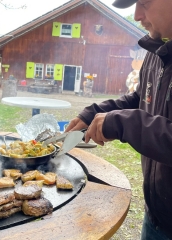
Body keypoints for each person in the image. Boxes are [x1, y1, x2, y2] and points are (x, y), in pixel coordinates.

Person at [65, 0, 172, 239]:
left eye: (144, 2)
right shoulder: (158, 51)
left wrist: (124, 123)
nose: (136, 15)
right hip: (157, 215)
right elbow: (141, 98)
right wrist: (93, 112)